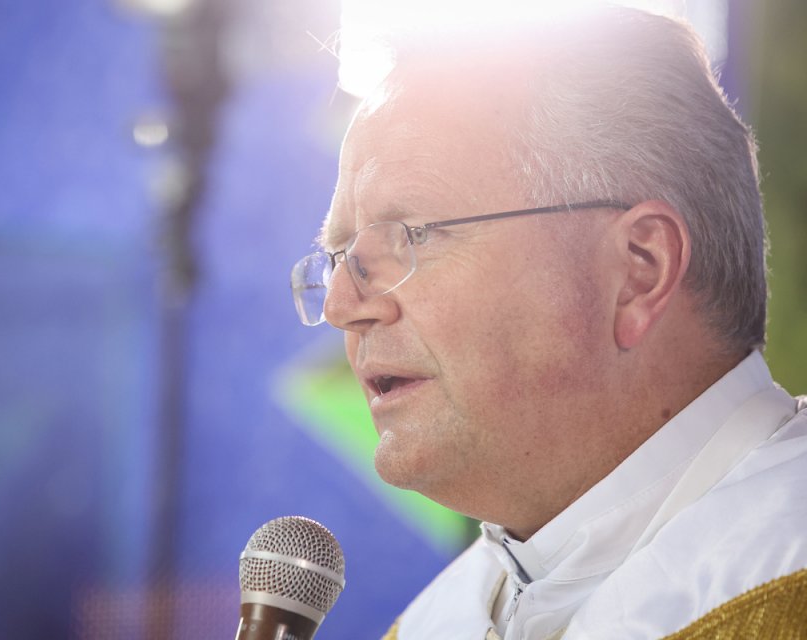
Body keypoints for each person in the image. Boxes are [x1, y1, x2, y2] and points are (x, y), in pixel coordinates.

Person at [289, 6, 807, 639]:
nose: (342, 306)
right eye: (340, 257)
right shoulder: (429, 625)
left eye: (408, 236)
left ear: (639, 269)